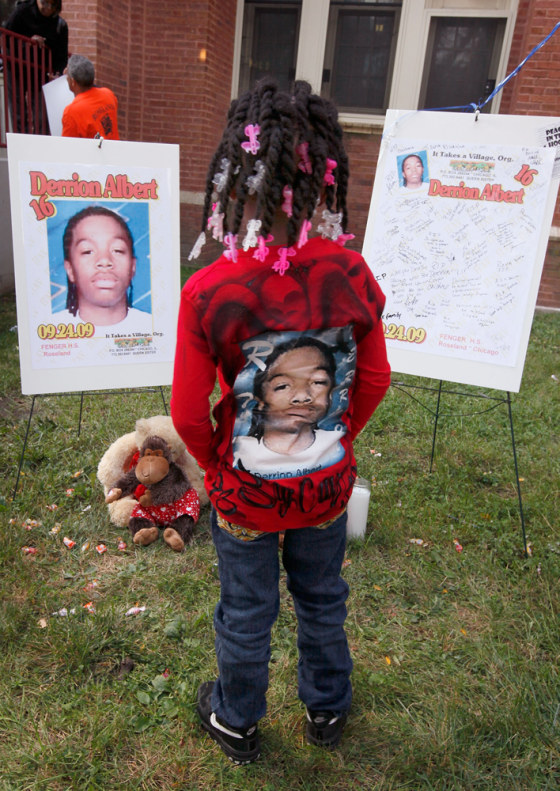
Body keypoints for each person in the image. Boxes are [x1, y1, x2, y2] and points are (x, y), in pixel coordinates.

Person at [171, 79, 390, 764]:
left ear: (239, 171)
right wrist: (337, 436)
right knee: (323, 595)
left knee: (247, 608)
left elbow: (185, 409)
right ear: (324, 173)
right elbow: (377, 376)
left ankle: (236, 718)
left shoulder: (209, 289)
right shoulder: (353, 274)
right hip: (325, 487)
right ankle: (327, 706)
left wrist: (212, 463)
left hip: (244, 493)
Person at [232, 334, 346, 478]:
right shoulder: (240, 451)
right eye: (283, 386)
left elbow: (375, 379)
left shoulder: (335, 447)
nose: (302, 397)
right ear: (260, 399)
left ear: (331, 391)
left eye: (318, 382)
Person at [55, 205, 151, 333]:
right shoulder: (51, 333)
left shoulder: (155, 330)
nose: (105, 261)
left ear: (133, 266)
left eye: (117, 250)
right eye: (88, 251)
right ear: (70, 269)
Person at [4, 0, 68, 132]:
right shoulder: (22, 11)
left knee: (41, 116)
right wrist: (27, 42)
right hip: (16, 67)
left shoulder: (59, 25)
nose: (48, 8)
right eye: (44, 3)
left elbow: (61, 55)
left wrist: (59, 72)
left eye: (52, 5)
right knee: (18, 111)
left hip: (39, 71)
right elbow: (6, 38)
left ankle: (40, 144)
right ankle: (22, 142)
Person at [62, 54, 119, 140]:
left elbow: (67, 147)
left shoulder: (71, 112)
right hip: (114, 151)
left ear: (73, 82)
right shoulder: (108, 94)